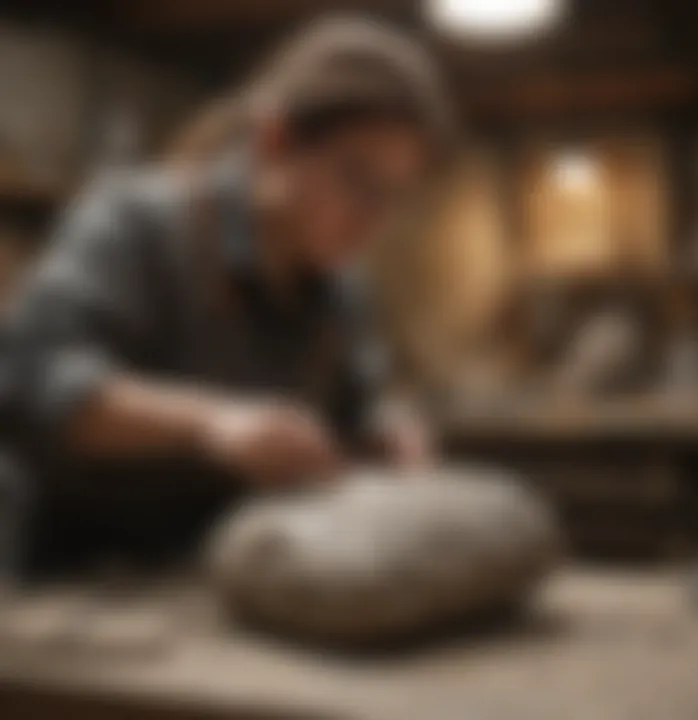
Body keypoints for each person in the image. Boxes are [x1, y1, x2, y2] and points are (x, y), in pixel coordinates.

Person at [0, 16, 454, 576]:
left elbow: (359, 404)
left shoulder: (340, 290)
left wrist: (389, 430)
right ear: (275, 142)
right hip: (70, 580)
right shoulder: (136, 224)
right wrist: (211, 424)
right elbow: (29, 375)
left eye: (395, 195)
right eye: (358, 180)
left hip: (217, 579)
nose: (374, 220)